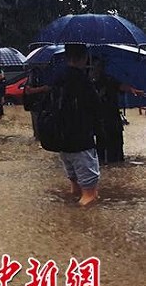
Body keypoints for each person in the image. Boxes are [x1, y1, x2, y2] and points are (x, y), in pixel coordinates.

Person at [53, 44, 102, 207]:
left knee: (74, 188)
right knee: (90, 194)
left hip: (62, 141)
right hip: (81, 141)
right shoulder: (83, 81)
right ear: (84, 58)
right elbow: (96, 108)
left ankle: (68, 215)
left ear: (67, 57)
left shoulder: (58, 78)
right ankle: (77, 224)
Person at [90, 58, 143, 165]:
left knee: (116, 150)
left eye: (99, 66)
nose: (97, 69)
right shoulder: (87, 83)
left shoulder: (109, 79)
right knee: (101, 150)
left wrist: (133, 90)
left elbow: (121, 86)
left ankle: (115, 166)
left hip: (113, 119)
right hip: (100, 122)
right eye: (95, 66)